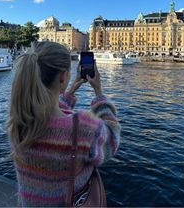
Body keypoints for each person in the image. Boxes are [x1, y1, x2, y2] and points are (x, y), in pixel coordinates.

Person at [7, 41, 121, 207]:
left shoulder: (17, 122)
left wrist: (70, 90)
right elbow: (112, 140)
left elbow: (49, 113)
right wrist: (99, 94)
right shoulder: (83, 128)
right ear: (63, 77)